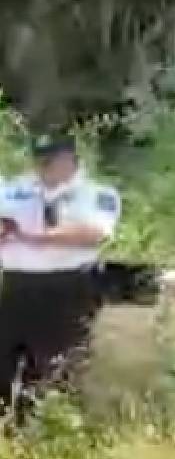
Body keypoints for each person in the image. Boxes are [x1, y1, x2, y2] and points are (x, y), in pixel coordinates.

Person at [0, 134, 122, 418]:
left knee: (57, 362)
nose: (44, 165)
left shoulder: (96, 195)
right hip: (18, 284)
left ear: (70, 159)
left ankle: (54, 426)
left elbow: (93, 234)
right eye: (40, 158)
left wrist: (35, 237)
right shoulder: (14, 190)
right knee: (6, 359)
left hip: (67, 286)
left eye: (51, 158)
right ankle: (10, 425)